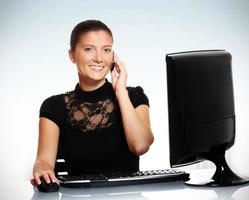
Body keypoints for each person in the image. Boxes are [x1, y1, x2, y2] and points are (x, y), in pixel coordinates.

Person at [31, 19, 154, 186]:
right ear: (72, 55)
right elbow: (44, 161)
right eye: (89, 49)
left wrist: (121, 92)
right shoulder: (53, 107)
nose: (98, 58)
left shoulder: (133, 96)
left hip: (128, 196)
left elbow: (140, 146)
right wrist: (41, 167)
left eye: (106, 50)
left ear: (113, 57)